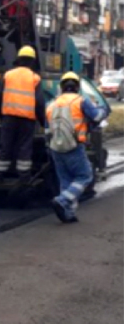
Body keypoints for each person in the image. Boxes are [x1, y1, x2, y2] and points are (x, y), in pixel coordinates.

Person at [46, 71, 109, 223]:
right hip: (74, 146)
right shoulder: (80, 101)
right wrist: (102, 110)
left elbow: (47, 129)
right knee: (84, 176)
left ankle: (68, 214)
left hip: (55, 147)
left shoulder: (51, 104)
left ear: (61, 87)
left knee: (65, 180)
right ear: (77, 86)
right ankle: (62, 200)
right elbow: (97, 117)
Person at [0, 45, 46, 182]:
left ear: (19, 59)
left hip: (9, 118)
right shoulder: (35, 78)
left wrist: (1, 116)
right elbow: (39, 102)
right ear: (32, 61)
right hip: (27, 120)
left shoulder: (8, 75)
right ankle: (24, 177)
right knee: (24, 147)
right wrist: (43, 121)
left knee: (5, 145)